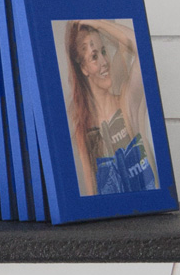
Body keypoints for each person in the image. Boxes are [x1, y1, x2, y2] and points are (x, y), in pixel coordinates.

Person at [64, 19, 157, 198]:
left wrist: (97, 23)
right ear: (83, 68)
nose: (104, 62)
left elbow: (143, 47)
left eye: (104, 51)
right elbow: (91, 190)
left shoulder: (126, 101)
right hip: (111, 222)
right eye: (94, 56)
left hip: (145, 217)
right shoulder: (85, 127)